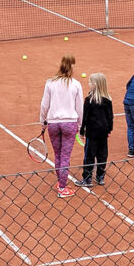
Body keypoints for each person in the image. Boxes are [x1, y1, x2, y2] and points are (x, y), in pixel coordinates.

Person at [39, 54, 84, 198]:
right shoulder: (76, 84)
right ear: (73, 66)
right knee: (65, 156)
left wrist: (42, 121)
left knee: (58, 155)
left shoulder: (50, 83)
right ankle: (62, 188)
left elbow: (44, 105)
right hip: (69, 124)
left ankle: (60, 182)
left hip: (53, 123)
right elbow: (80, 108)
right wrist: (81, 125)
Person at [74, 73, 113, 188]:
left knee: (89, 155)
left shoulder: (89, 100)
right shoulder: (108, 100)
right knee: (102, 154)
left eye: (90, 82)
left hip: (92, 133)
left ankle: (87, 178)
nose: (88, 84)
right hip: (103, 132)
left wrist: (81, 132)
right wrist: (109, 129)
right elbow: (110, 117)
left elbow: (84, 117)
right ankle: (100, 177)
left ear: (95, 85)